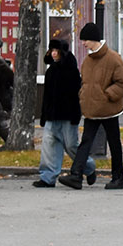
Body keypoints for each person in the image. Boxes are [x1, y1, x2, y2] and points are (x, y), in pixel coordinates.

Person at [61, 21, 123, 190]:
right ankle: (76, 176)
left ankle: (118, 178)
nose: (82, 43)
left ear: (93, 39)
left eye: (85, 40)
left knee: (114, 143)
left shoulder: (114, 58)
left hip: (109, 110)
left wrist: (105, 96)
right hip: (92, 109)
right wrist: (83, 95)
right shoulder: (88, 61)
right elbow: (85, 83)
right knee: (85, 142)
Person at [35, 37, 85, 189]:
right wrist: (44, 115)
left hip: (68, 115)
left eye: (57, 51)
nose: (54, 54)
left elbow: (76, 95)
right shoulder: (51, 71)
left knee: (71, 146)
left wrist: (76, 115)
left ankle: (88, 166)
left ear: (62, 52)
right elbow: (47, 96)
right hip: (52, 115)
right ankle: (48, 177)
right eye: (52, 51)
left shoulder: (71, 71)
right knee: (49, 145)